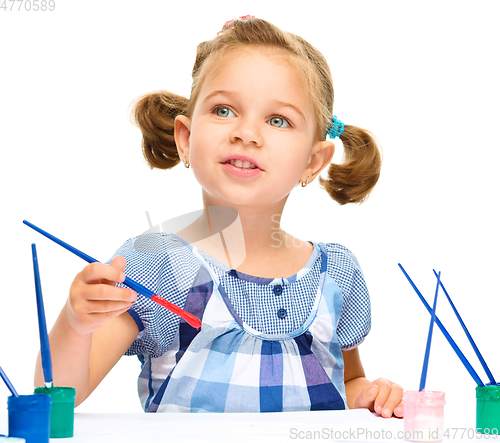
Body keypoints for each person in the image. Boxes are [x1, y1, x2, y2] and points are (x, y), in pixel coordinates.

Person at [35, 16, 403, 417]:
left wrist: (368, 394)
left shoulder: (336, 274)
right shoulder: (157, 265)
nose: (246, 132)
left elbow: (345, 383)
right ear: (187, 139)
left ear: (313, 162)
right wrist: (75, 324)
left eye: (278, 120)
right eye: (224, 110)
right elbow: (59, 396)